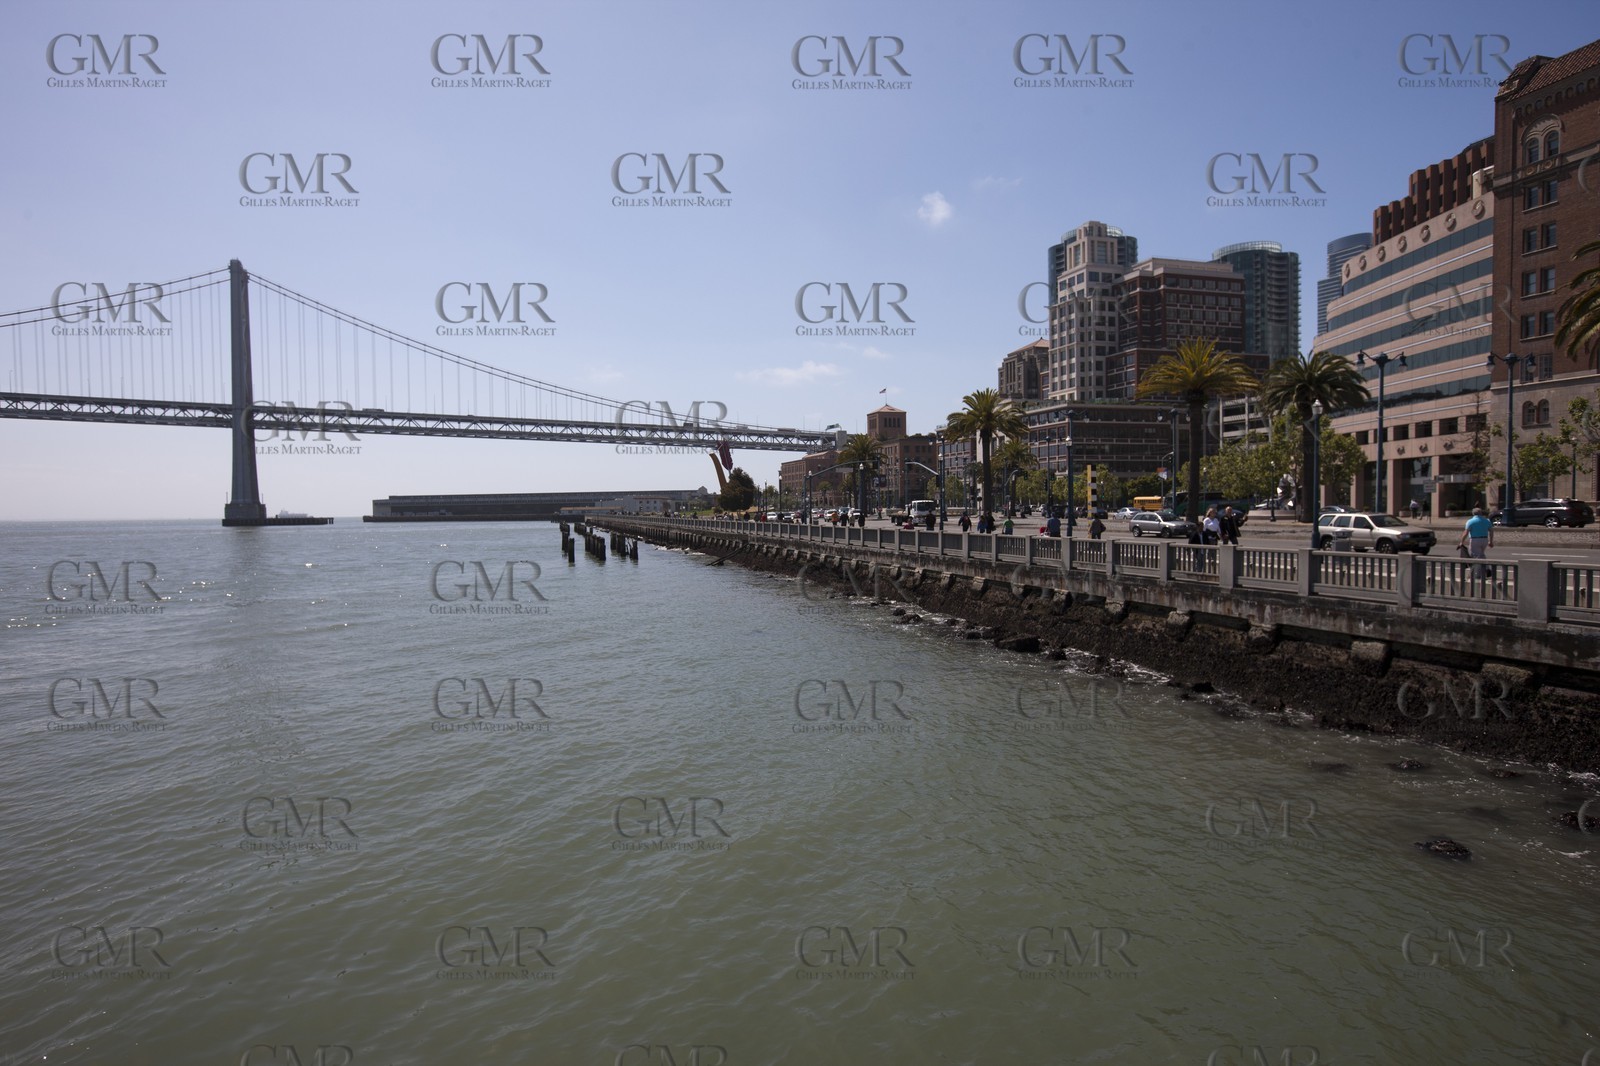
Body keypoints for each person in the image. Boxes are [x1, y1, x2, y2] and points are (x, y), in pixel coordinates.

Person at [1461, 506, 1494, 580]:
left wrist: (1461, 542)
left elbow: (1466, 532)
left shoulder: (1470, 521)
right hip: (1484, 539)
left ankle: (1477, 574)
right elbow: (1491, 531)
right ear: (1481, 513)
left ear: (1473, 513)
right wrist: (1491, 541)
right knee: (1481, 555)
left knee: (1476, 556)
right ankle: (1487, 569)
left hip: (1475, 540)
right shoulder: (1487, 521)